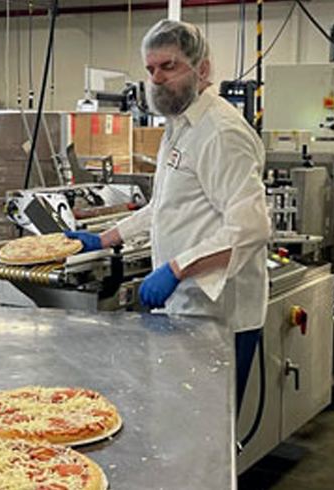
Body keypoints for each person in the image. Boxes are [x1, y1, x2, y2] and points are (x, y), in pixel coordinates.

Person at [64, 19, 270, 403]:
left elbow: (252, 228)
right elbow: (167, 205)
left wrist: (177, 269)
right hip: (187, 307)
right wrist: (105, 239)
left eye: (169, 66)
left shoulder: (220, 132)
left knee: (204, 439)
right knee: (182, 426)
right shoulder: (181, 124)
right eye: (151, 69)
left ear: (202, 69)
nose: (157, 79)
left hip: (219, 315)